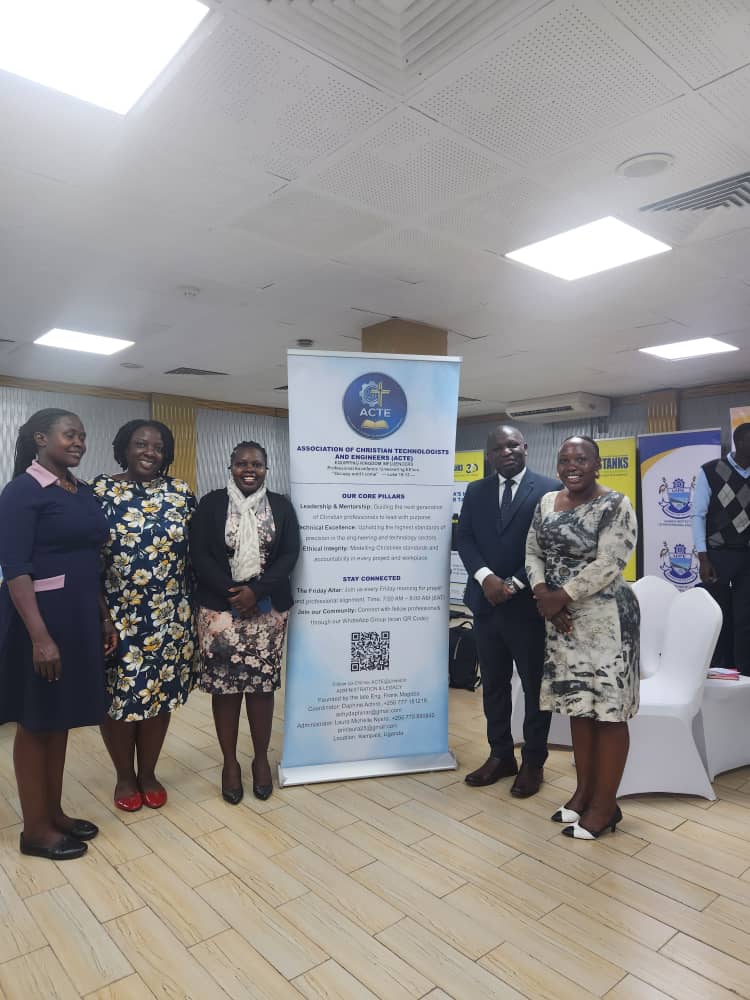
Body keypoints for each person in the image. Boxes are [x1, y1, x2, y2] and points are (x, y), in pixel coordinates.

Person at [0, 409, 116, 860]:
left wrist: (103, 616)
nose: (79, 442)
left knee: (59, 717)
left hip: (79, 617)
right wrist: (40, 638)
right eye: (70, 435)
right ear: (40, 438)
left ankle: (54, 813)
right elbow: (16, 569)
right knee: (36, 722)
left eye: (83, 436)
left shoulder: (79, 490)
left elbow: (89, 559)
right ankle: (35, 831)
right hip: (39, 622)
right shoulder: (22, 491)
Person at [526, 435, 639, 840]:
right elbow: (533, 552)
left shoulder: (616, 504)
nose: (572, 466)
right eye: (565, 459)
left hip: (607, 621)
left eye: (581, 458)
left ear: (597, 464)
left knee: (608, 712)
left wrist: (560, 597)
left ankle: (605, 806)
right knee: (578, 706)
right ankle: (584, 794)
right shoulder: (546, 502)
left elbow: (611, 562)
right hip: (561, 620)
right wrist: (543, 594)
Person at [92, 420, 197, 812]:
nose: (150, 452)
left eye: (158, 447)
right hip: (117, 618)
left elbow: (198, 552)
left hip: (171, 615)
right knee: (120, 698)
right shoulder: (101, 490)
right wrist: (101, 615)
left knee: (158, 696)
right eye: (141, 444)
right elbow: (87, 558)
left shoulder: (180, 492)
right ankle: (124, 776)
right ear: (124, 447)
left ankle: (148, 773)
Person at [190, 441, 300, 803]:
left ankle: (260, 760)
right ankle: (229, 763)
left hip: (267, 612)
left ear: (266, 469)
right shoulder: (211, 504)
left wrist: (256, 591)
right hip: (220, 612)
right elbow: (199, 554)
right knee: (225, 690)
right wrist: (235, 593)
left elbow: (290, 554)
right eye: (241, 463)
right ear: (231, 466)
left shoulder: (281, 506)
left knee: (262, 687)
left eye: (256, 464)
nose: (249, 469)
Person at [456, 425, 558, 797]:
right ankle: (500, 755)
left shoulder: (549, 489)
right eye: (498, 447)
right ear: (490, 455)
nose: (507, 452)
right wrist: (485, 578)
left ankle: (533, 762)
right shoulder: (476, 490)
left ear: (525, 448)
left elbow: (549, 546)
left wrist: (513, 583)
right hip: (485, 605)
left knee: (534, 688)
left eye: (513, 445)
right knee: (494, 686)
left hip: (527, 607)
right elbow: (464, 538)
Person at [692, 421, 750, 675]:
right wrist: (703, 558)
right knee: (718, 614)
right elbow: (698, 515)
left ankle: (744, 671)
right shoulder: (711, 470)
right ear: (740, 442)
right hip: (717, 555)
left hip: (746, 555)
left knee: (745, 617)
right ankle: (718, 668)